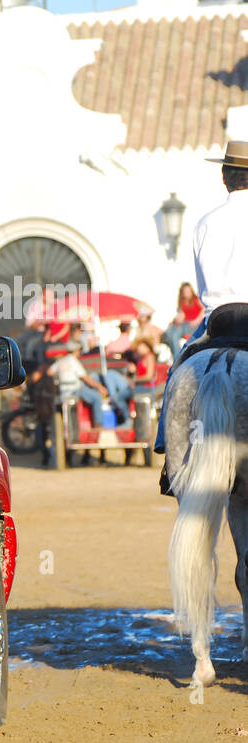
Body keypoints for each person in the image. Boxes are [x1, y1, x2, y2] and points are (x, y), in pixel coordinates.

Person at [156, 141, 248, 491]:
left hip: (217, 319)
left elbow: (201, 281)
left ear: (225, 177)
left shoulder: (205, 223)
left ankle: (169, 456)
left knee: (177, 372)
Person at [51, 339, 113, 427]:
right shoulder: (74, 362)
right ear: (77, 350)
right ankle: (98, 424)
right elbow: (86, 379)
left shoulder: (61, 361)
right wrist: (99, 387)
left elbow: (50, 372)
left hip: (63, 391)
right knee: (97, 398)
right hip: (75, 389)